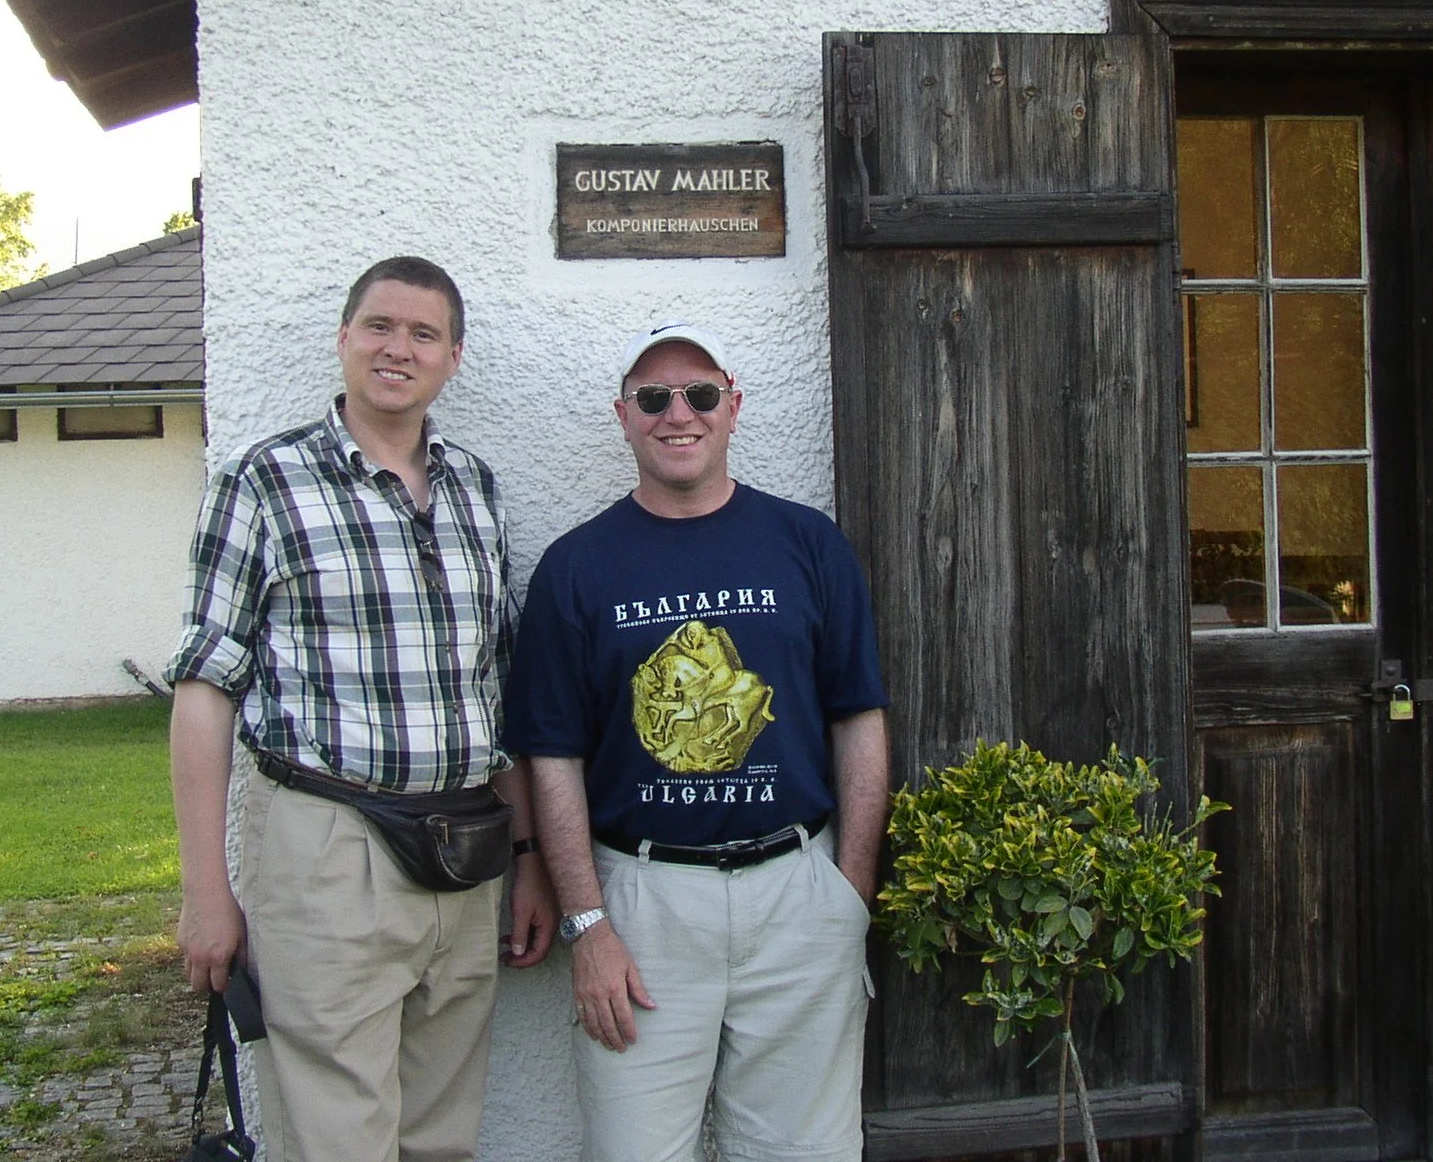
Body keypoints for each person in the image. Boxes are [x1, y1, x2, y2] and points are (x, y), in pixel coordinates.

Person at [166, 256, 556, 1162]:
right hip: (326, 848)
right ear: (344, 339)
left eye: (424, 334)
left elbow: (498, 693)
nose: (398, 348)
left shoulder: (477, 490)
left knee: (440, 1135)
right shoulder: (262, 483)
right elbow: (203, 688)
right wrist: (204, 890)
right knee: (335, 1137)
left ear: (453, 357)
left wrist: (529, 859)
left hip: (467, 853)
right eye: (380, 326)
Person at [507, 322, 890, 1162]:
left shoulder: (809, 545)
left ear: (733, 406)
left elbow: (857, 718)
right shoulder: (574, 569)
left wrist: (847, 895)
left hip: (799, 892)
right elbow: (552, 760)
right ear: (625, 415)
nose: (677, 413)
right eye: (653, 397)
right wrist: (587, 925)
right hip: (643, 906)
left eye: (700, 393)